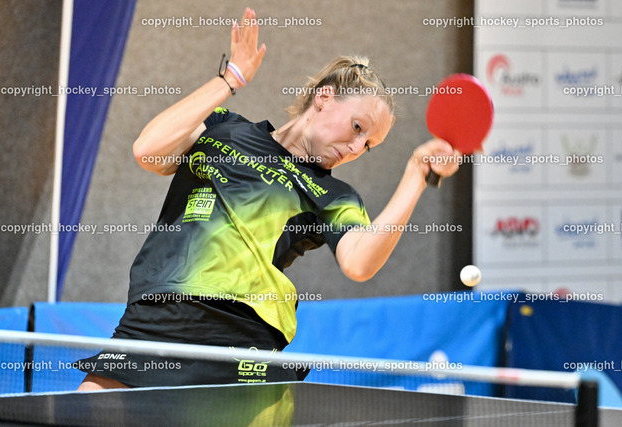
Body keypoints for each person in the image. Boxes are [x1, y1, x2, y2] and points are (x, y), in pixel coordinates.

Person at [77, 8, 459, 391]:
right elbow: (148, 151)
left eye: (368, 144)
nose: (357, 147)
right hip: (156, 315)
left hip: (240, 338)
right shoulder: (223, 128)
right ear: (324, 98)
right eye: (357, 127)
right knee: (84, 413)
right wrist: (230, 79)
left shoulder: (333, 196)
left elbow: (359, 263)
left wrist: (415, 176)